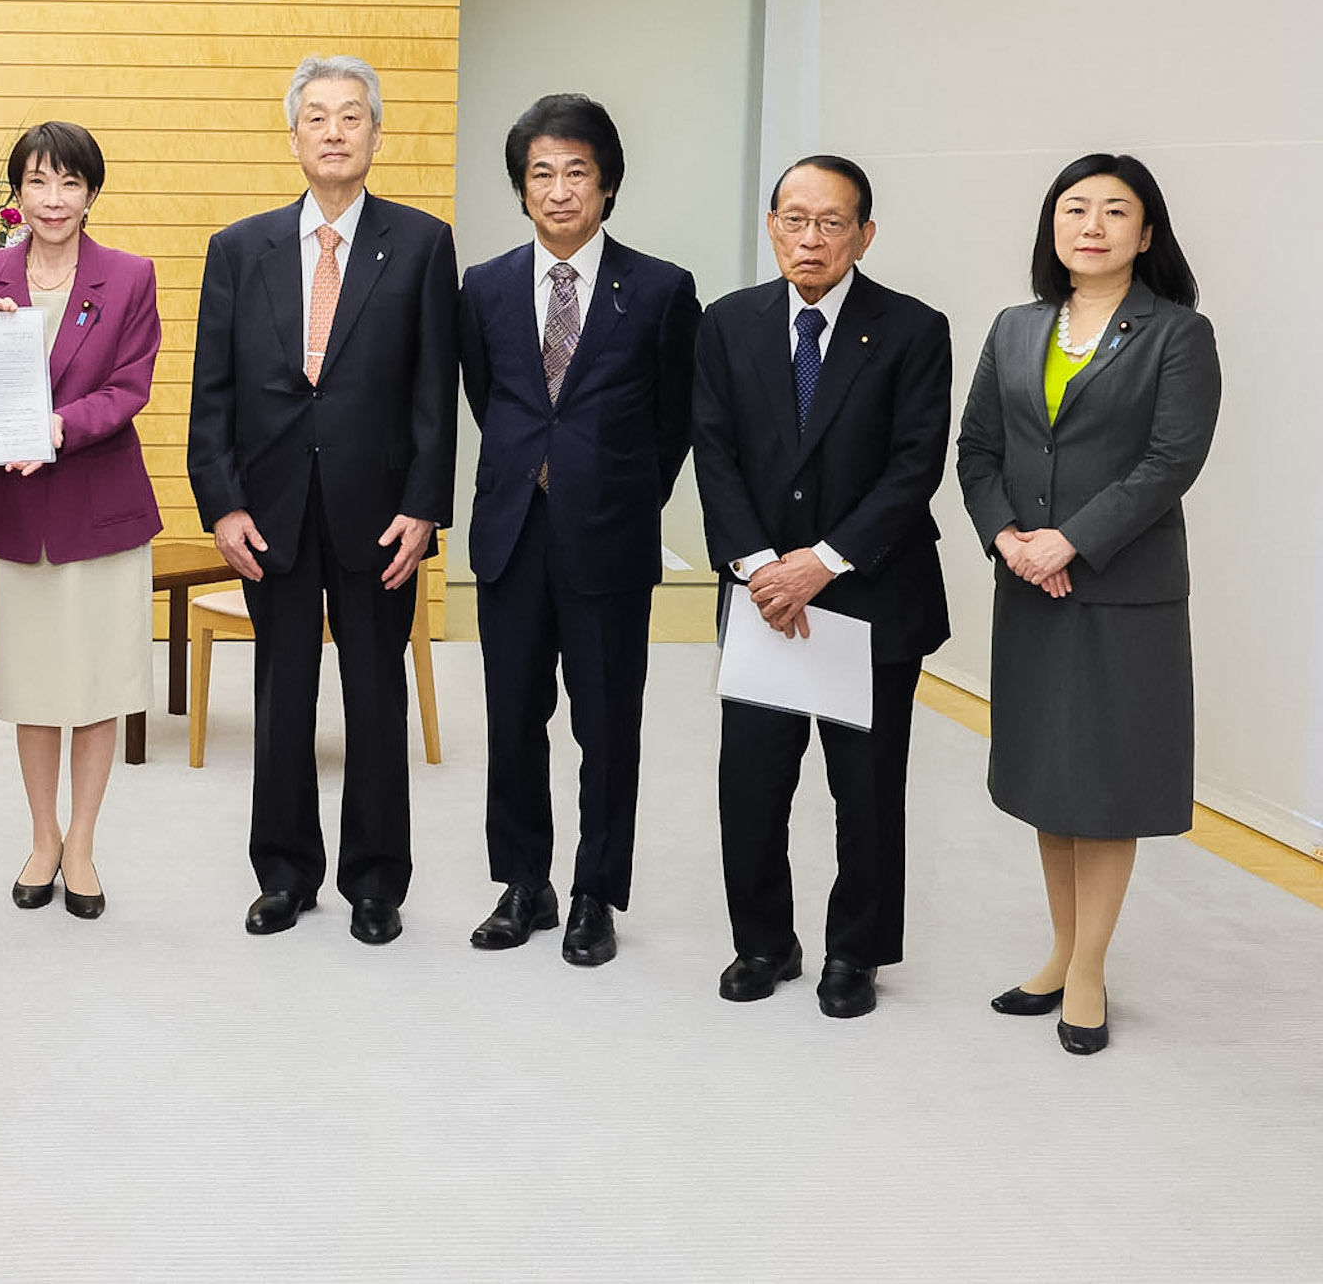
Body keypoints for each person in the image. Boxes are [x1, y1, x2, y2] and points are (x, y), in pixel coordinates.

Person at [188, 56, 459, 946]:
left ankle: (376, 882)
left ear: (377, 134)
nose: (334, 132)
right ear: (293, 136)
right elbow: (212, 391)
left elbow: (435, 390)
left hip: (381, 514)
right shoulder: (240, 248)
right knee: (281, 696)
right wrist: (222, 503)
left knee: (376, 697)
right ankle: (284, 874)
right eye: (317, 117)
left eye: (351, 116)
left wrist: (424, 505)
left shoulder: (422, 243)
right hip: (270, 510)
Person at [956, 153, 1218, 1056]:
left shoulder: (1178, 334)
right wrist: (1008, 539)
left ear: (1146, 234)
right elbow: (977, 448)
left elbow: (1171, 462)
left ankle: (1090, 971)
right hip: (1030, 586)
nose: (1092, 225)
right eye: (1074, 208)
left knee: (1105, 782)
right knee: (1049, 779)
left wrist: (1069, 541)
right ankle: (1062, 951)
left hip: (1121, 592)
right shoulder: (1016, 327)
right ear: (1052, 227)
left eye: (1114, 210)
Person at [691, 155, 951, 1020]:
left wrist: (824, 561)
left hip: (869, 592)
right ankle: (763, 942)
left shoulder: (913, 329)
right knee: (751, 783)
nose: (811, 238)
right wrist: (762, 565)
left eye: (832, 223)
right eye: (794, 220)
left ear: (864, 235)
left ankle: (855, 952)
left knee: (866, 790)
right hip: (762, 595)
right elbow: (713, 451)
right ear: (772, 226)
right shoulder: (727, 324)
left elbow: (915, 467)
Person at [456, 93, 698, 968]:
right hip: (512, 534)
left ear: (608, 184)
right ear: (522, 189)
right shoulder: (484, 287)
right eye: (541, 175)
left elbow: (676, 420)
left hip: (609, 539)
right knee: (514, 720)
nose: (558, 191)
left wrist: (620, 494)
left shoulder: (662, 290)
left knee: (606, 724)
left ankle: (597, 891)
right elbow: (489, 398)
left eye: (576, 172)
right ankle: (525, 883)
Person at [0, 121, 163, 920]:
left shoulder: (129, 276)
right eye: (38, 181)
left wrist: (57, 427)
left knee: (99, 683)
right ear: (18, 191)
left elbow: (128, 388)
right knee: (35, 686)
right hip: (20, 512)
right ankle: (42, 838)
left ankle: (82, 843)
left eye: (70, 182)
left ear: (92, 193)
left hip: (101, 508)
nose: (53, 198)